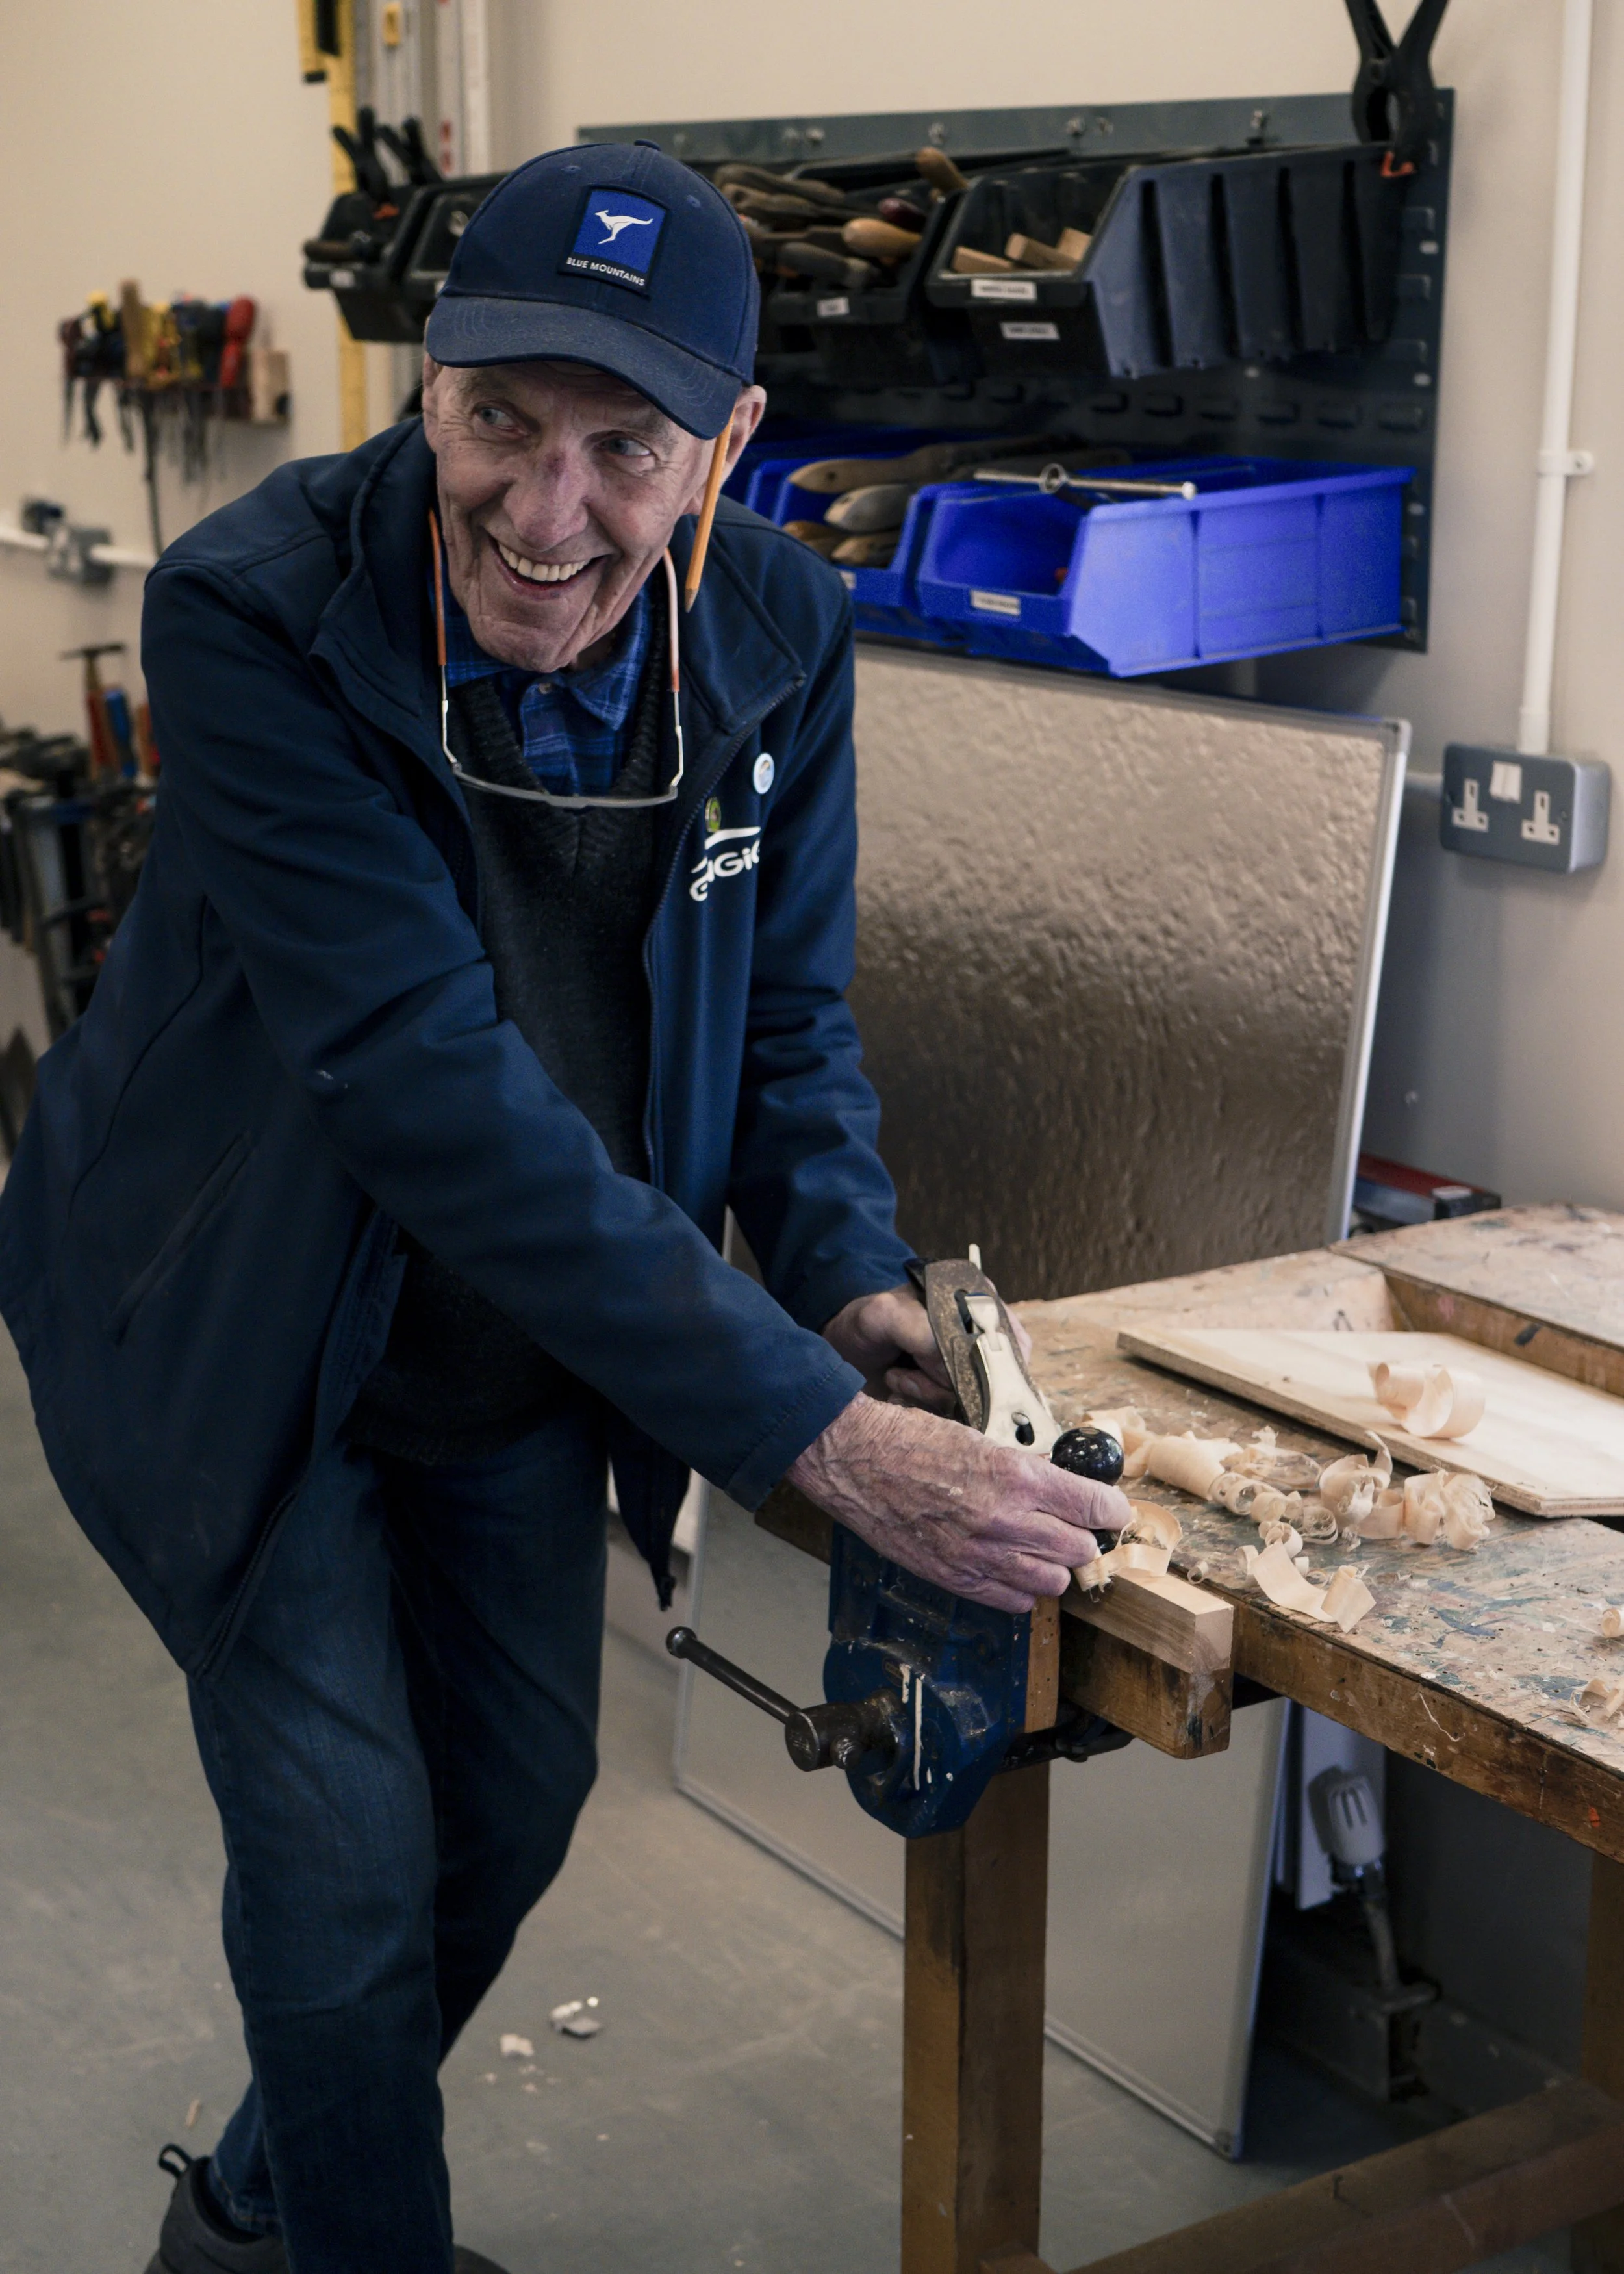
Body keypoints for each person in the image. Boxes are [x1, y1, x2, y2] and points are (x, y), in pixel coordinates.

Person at [0, 143, 1126, 2274]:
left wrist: (848, 1278)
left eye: (627, 446)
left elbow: (786, 1023)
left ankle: (253, 2221)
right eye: (498, 419)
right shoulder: (249, 614)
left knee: (502, 1819)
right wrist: (804, 1425)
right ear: (418, 381)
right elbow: (423, 1085)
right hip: (239, 1316)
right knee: (342, 1868)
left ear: (731, 444)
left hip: (519, 1336)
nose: (546, 512)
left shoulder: (782, 629)